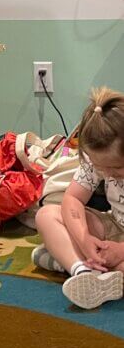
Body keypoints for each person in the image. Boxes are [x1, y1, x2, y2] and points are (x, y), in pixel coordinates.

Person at [33, 87, 124, 309]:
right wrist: (84, 239)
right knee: (47, 214)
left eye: (116, 168)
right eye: (101, 168)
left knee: (45, 251)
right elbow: (72, 199)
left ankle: (77, 262)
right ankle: (82, 270)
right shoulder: (98, 161)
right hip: (114, 225)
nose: (108, 174)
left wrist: (120, 251)